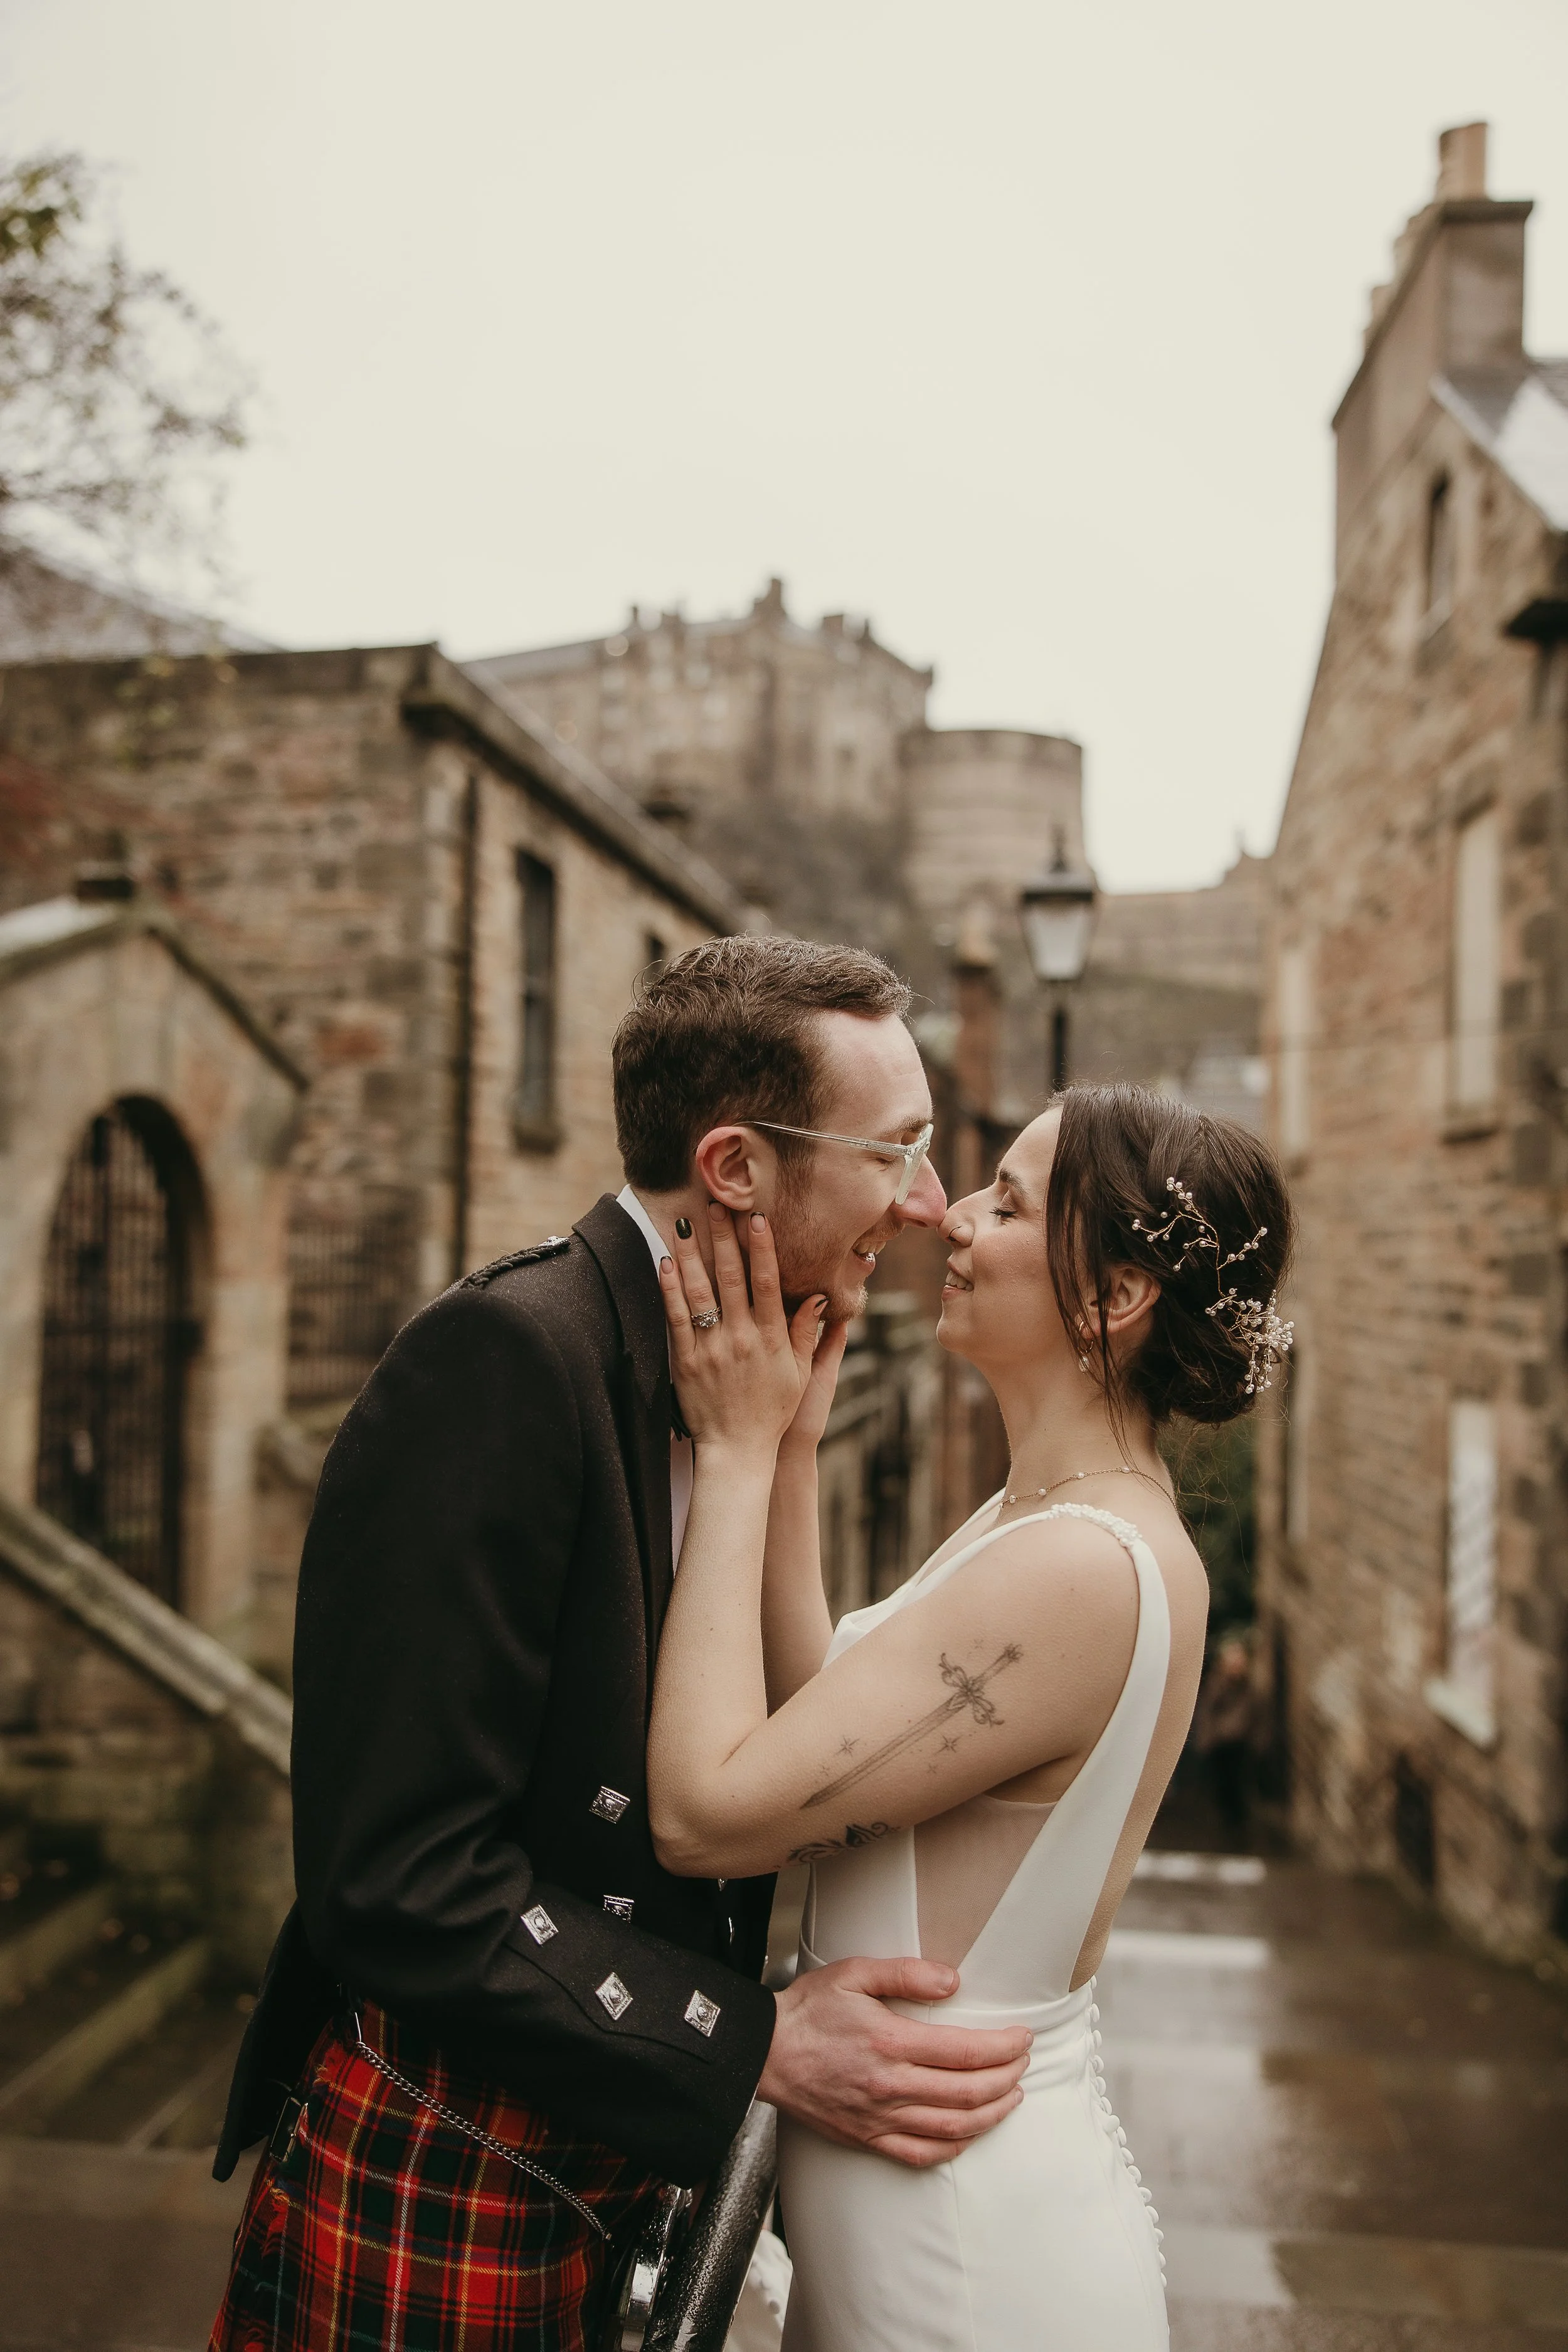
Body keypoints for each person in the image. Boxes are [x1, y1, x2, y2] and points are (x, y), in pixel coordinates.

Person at [207, 935, 1034, 2352]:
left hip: (607, 2151)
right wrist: (753, 2042)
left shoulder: (741, 1370)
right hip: (448, 2154)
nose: (926, 1203)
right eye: (895, 1149)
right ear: (733, 1170)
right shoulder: (504, 1361)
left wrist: (779, 1458)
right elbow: (399, 1879)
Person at [649, 1083, 1295, 2352]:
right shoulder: (1044, 1520)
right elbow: (812, 1724)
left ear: (1110, 1297)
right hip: (932, 2222)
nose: (950, 1219)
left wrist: (721, 1459)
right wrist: (785, 1458)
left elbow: (704, 1814)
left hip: (961, 2263)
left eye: (1006, 1200)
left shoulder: (1073, 1569)